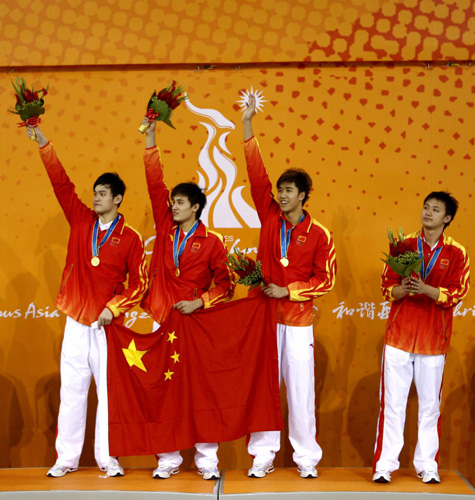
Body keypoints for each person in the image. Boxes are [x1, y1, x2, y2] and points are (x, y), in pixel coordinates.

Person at [25, 125, 148, 478]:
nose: (96, 198)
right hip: (77, 322)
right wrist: (44, 143)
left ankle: (108, 459)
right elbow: (61, 184)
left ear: (118, 199)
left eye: (103, 193)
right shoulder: (81, 221)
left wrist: (115, 308)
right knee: (72, 391)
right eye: (94, 192)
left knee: (110, 396)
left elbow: (139, 284)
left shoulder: (131, 238)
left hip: (109, 326)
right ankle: (66, 458)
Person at [241, 95, 337, 478]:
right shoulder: (269, 215)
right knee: (263, 389)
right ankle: (261, 456)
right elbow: (254, 170)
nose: (281, 195)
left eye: (288, 191)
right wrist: (247, 124)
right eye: (279, 190)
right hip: (263, 318)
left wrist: (290, 291)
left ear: (303, 196)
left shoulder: (320, 234)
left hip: (297, 321)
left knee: (300, 392)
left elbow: (326, 279)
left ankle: (306, 460)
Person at [140, 117, 235, 480]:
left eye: (180, 202)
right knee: (163, 389)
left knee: (202, 391)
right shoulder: (165, 229)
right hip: (163, 319)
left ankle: (207, 459)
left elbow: (227, 286)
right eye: (172, 202)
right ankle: (167, 458)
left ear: (195, 207)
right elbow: (154, 181)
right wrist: (149, 135)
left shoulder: (212, 243)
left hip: (197, 323)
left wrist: (201, 303)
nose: (173, 206)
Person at [372, 192, 470, 484]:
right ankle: (384, 465)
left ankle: (427, 465)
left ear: (447, 218)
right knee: (392, 404)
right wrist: (404, 288)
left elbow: (458, 293)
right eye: (426, 207)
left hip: (433, 342)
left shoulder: (457, 253)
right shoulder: (403, 245)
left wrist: (427, 289)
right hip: (399, 338)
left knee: (429, 407)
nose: (428, 213)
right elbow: (386, 287)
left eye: (435, 209)